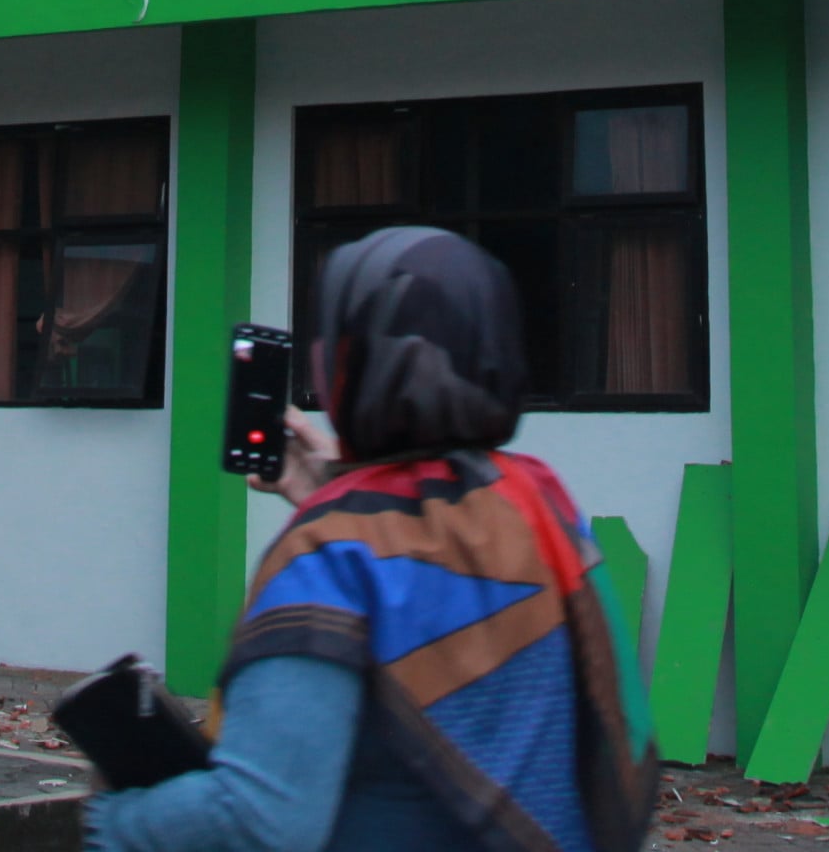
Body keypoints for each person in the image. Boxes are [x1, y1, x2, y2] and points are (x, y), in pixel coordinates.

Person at [86, 226, 655, 852]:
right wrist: (341, 487)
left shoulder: (332, 558)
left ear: (348, 365)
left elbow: (256, 820)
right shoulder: (540, 504)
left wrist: (110, 821)